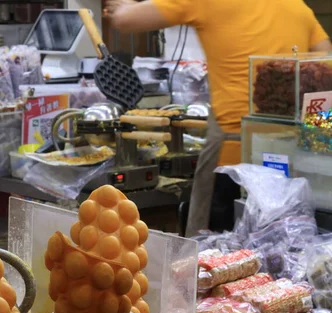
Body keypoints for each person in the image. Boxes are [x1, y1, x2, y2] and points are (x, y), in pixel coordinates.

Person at [105, 0, 332, 236]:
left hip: (233, 157)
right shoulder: (297, 7)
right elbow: (324, 67)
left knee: (210, 254)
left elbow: (125, 20)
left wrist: (121, 6)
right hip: (291, 156)